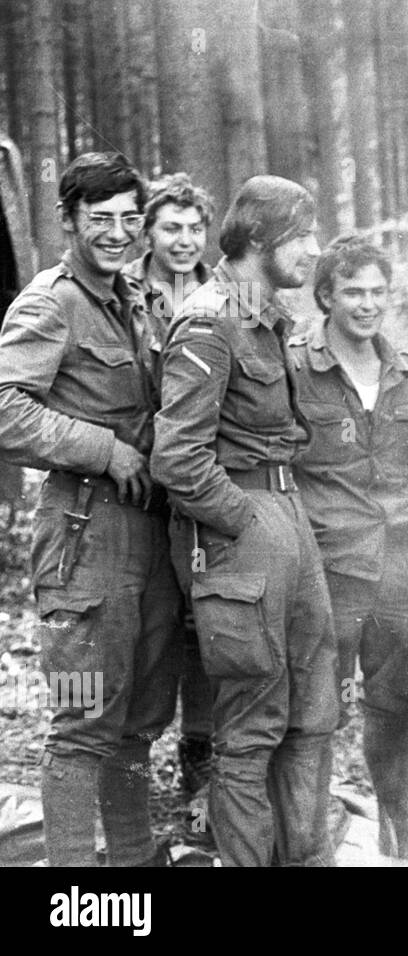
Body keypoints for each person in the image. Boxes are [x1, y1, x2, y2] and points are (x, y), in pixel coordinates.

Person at [0, 152, 181, 866]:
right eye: (98, 219)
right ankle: (72, 887)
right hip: (83, 540)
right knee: (81, 721)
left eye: (128, 219)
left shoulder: (137, 300)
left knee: (137, 720)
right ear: (69, 220)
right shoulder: (50, 302)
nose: (116, 232)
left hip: (149, 535)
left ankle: (132, 869)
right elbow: (4, 407)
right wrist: (101, 448)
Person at [151, 175, 337, 867]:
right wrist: (247, 523)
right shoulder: (208, 320)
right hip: (245, 530)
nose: (314, 252)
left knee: (313, 715)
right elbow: (178, 457)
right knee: (253, 726)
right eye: (303, 237)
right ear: (260, 240)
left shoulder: (269, 317)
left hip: (289, 519)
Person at [288, 235, 408, 860]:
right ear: (325, 295)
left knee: (396, 703)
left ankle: (395, 826)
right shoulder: (294, 366)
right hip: (329, 566)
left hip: (403, 564)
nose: (367, 304)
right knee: (316, 711)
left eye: (378, 292)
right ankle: (309, 842)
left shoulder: (405, 370)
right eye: (353, 292)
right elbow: (279, 463)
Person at [124, 172, 218, 807]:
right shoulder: (120, 290)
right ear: (148, 231)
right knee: (142, 625)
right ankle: (128, 765)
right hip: (132, 483)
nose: (184, 241)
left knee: (204, 622)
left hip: (201, 479)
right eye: (171, 228)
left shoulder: (225, 294)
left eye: (195, 229)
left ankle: (200, 756)